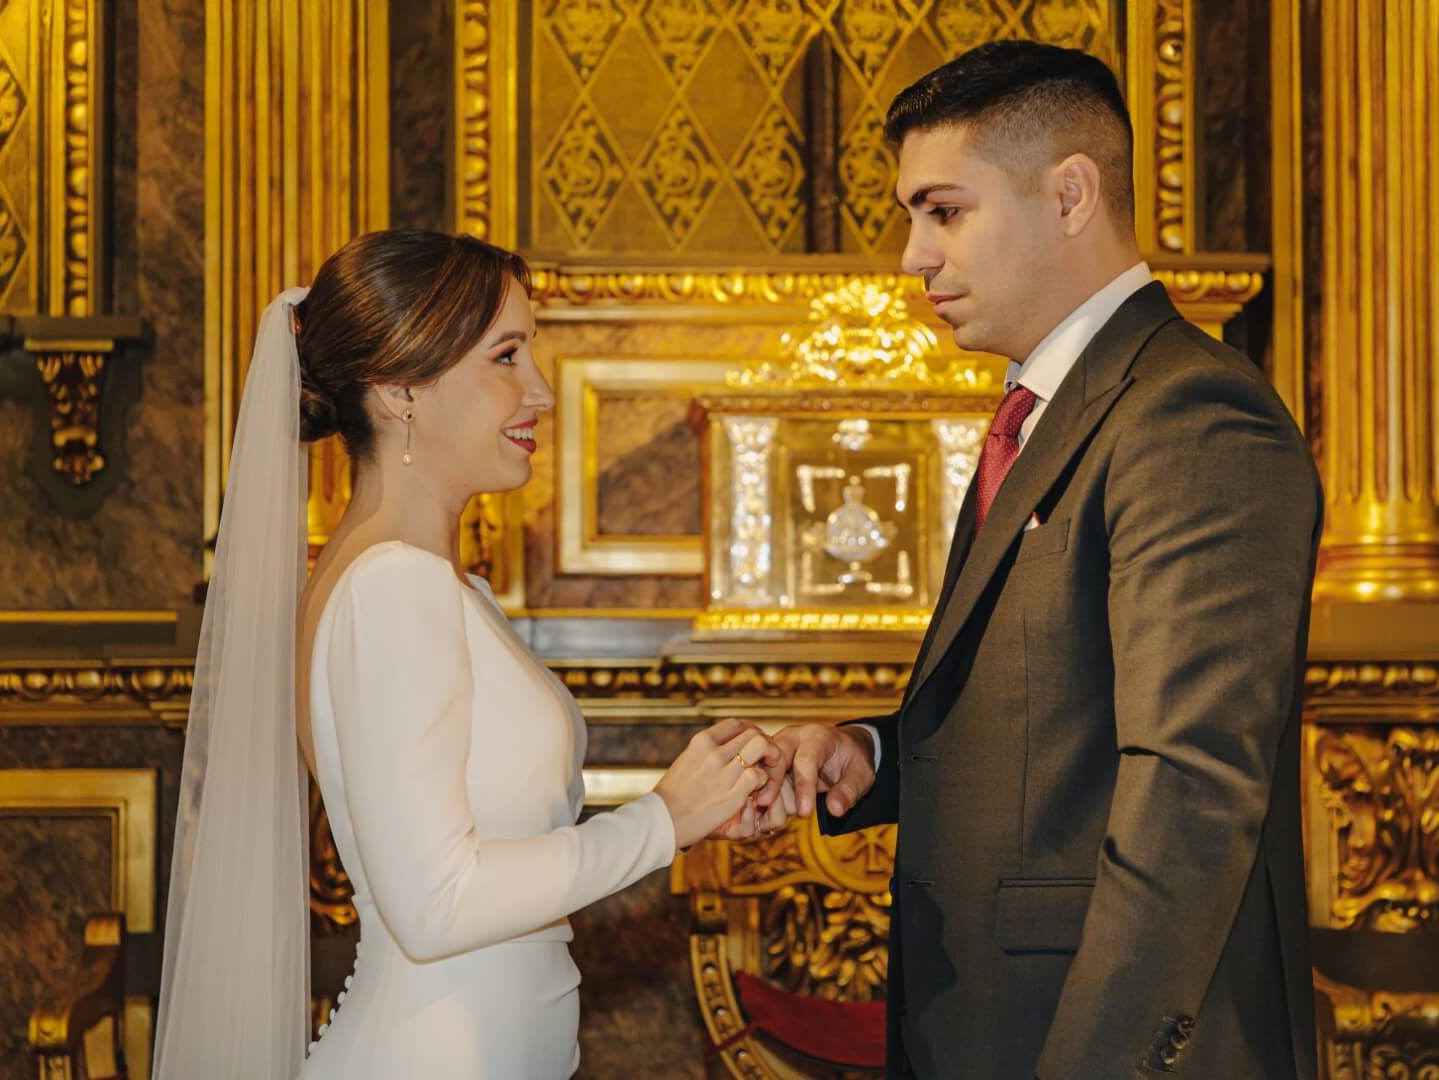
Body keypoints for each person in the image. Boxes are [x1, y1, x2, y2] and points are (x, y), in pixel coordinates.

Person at [755, 41, 1323, 1079]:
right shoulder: (1048, 409)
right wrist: (873, 755)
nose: (912, 256)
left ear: (1069, 195)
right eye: (911, 216)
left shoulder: (1191, 413)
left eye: (944, 211)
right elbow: (1050, 723)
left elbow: (1189, 788)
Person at [152, 229, 775, 1079]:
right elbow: (436, 904)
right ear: (401, 389)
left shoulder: (439, 586)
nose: (541, 391)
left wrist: (706, 798)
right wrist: (663, 820)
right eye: (506, 357)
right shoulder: (391, 585)